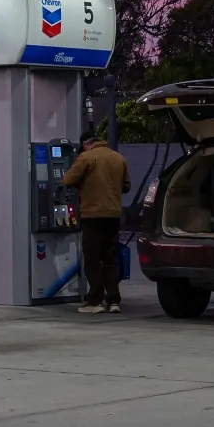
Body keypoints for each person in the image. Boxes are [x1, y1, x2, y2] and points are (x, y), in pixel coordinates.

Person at [62, 134, 130, 315]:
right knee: (110, 258)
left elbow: (67, 179)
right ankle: (114, 301)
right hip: (113, 214)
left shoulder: (86, 157)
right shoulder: (118, 157)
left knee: (92, 259)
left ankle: (96, 301)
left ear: (86, 144)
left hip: (92, 214)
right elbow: (126, 186)